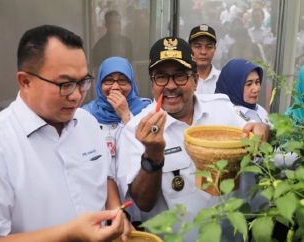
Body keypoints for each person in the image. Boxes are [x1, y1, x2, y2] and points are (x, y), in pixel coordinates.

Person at [116, 37, 271, 241]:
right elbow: (143, 203)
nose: (170, 86)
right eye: (161, 77)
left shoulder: (222, 109)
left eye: (180, 76)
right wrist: (153, 156)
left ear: (196, 80)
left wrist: (264, 129)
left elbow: (258, 138)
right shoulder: (135, 131)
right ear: (152, 83)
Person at [0, 25, 132, 241]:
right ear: (25, 81)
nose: (77, 95)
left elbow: (104, 177)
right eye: (65, 84)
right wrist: (68, 234)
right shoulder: (2, 142)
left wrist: (117, 213)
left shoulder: (88, 123)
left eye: (83, 82)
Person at [82, 56, 151, 227]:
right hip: (100, 204)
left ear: (132, 83)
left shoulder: (145, 110)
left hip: (138, 201)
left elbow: (149, 150)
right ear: (99, 84)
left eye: (122, 81)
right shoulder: (85, 115)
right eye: (108, 81)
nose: (115, 87)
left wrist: (126, 115)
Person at [215, 58, 270, 212]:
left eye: (257, 82)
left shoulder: (259, 110)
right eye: (248, 84)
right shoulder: (227, 114)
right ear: (234, 85)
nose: (256, 88)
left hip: (261, 197)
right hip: (239, 201)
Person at [188, 24, 221, 94]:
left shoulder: (223, 79)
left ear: (214, 50)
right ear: (189, 49)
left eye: (208, 47)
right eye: (197, 46)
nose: (203, 52)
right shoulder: (182, 80)